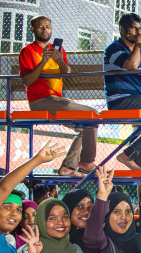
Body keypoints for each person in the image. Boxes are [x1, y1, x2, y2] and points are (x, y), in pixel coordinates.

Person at [19, 15, 99, 175]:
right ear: (33, 29)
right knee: (93, 115)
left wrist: (60, 60)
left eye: (48, 26)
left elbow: (67, 74)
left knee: (87, 128)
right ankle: (87, 161)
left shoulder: (57, 50)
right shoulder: (27, 51)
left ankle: (68, 167)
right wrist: (42, 62)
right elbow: (27, 81)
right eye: (41, 26)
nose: (45, 29)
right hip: (40, 100)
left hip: (56, 100)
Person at [101, 12, 141, 170]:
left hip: (136, 98)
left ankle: (128, 154)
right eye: (134, 29)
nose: (138, 33)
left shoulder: (138, 52)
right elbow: (132, 65)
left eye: (140, 29)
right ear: (122, 30)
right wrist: (139, 45)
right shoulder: (114, 48)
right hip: (120, 100)